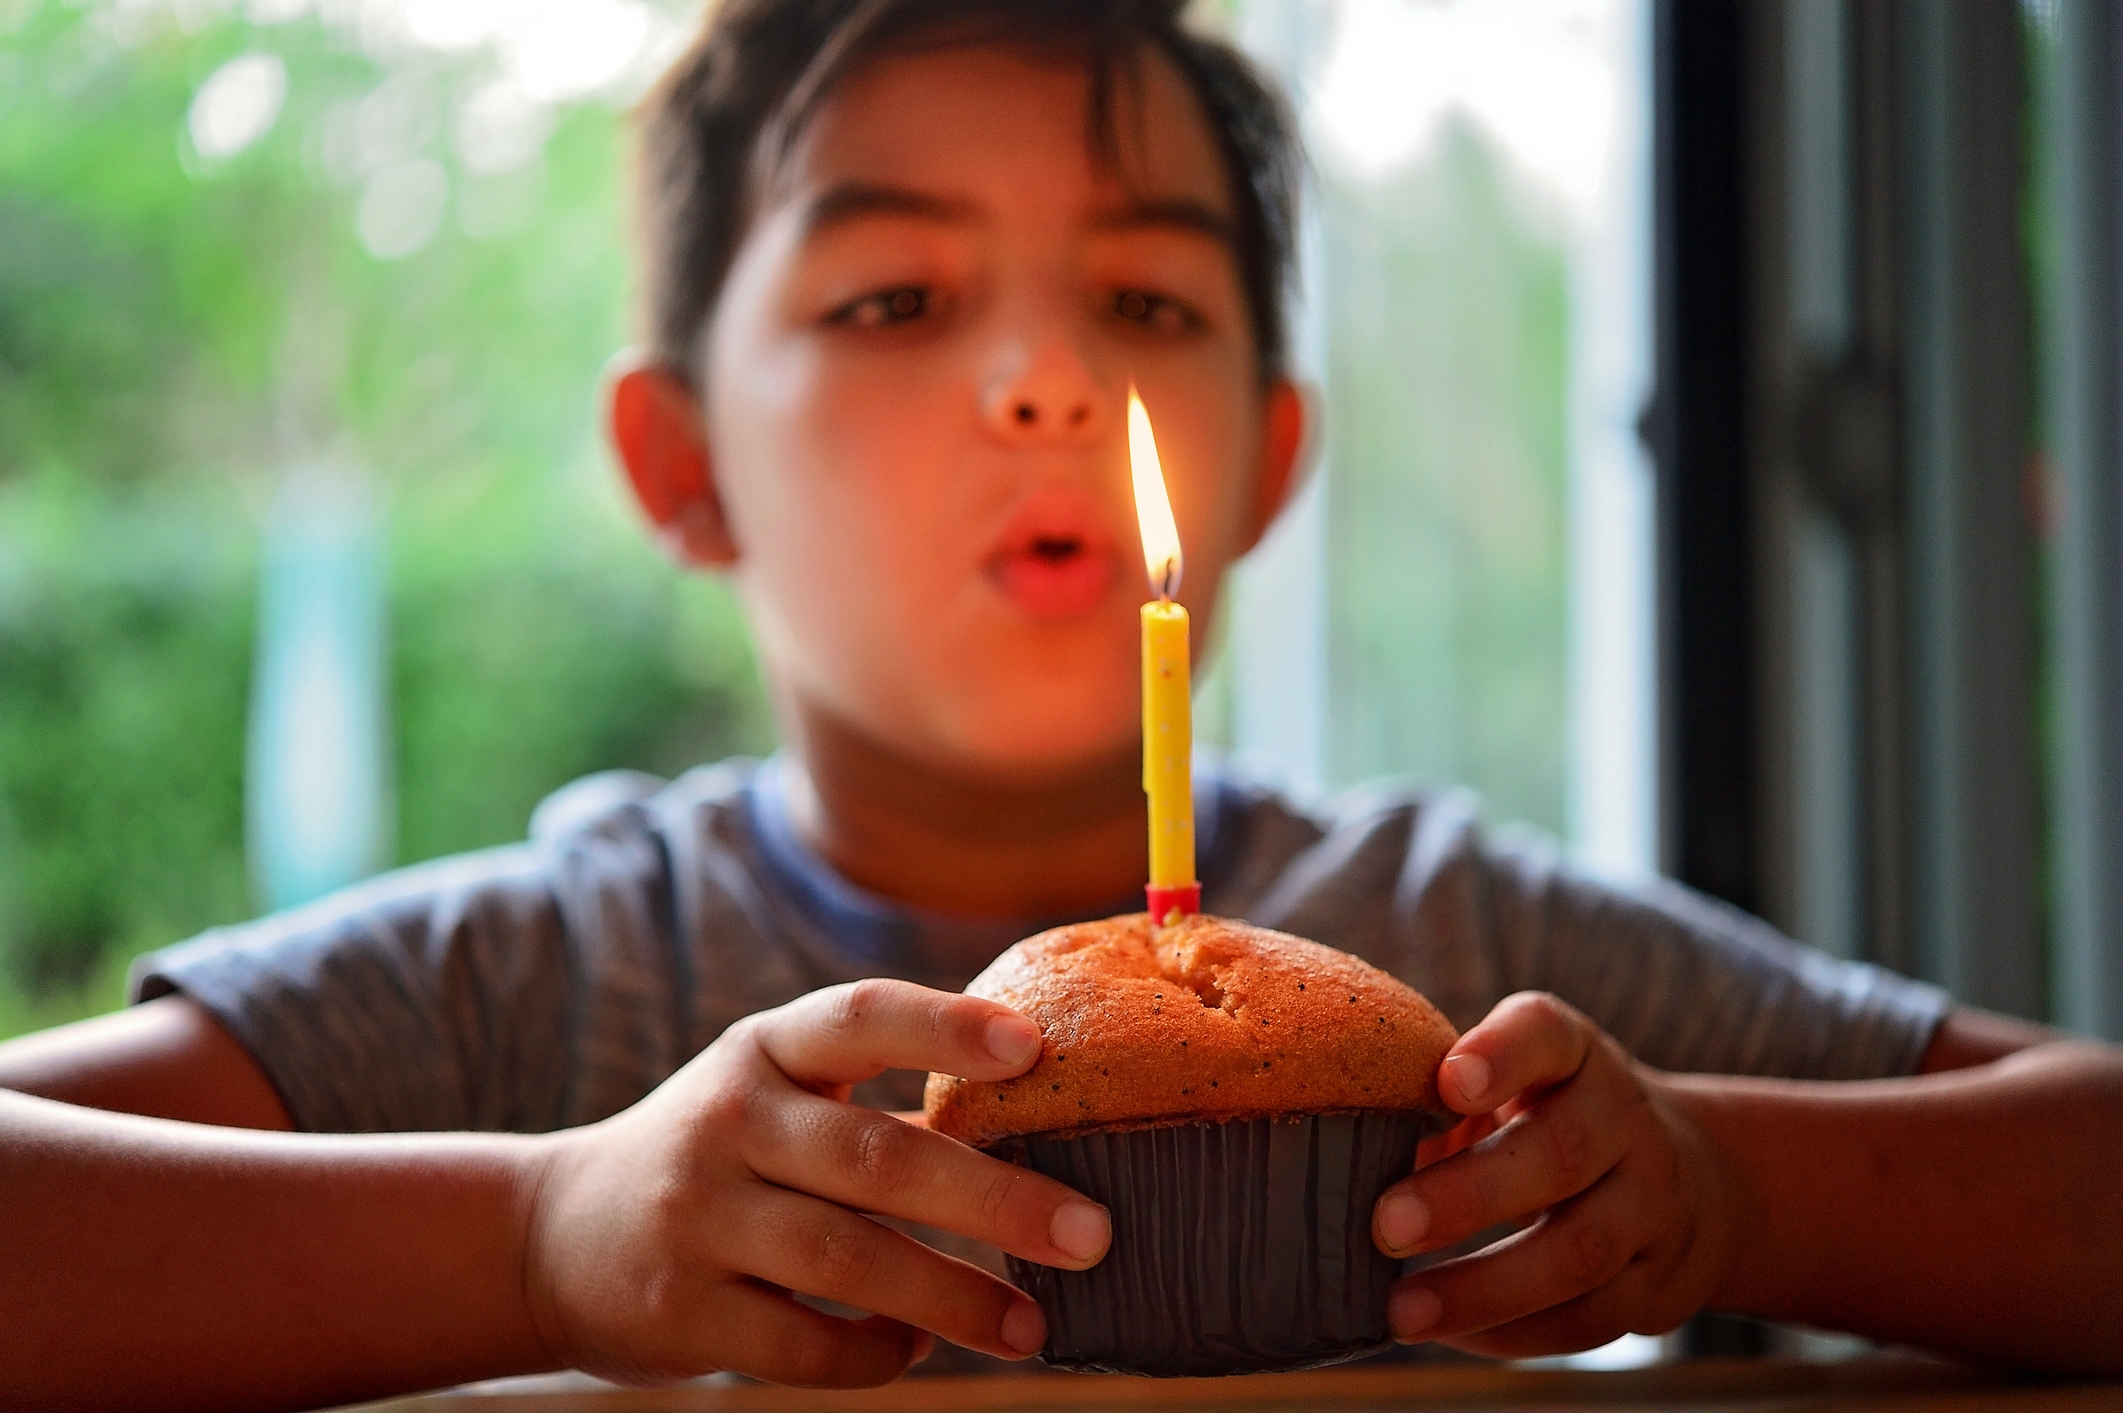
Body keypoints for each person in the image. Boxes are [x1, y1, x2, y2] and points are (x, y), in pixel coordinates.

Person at [2, 2, 2119, 1408]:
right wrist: (544, 1228)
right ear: (682, 464)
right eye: (896, 295)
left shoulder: (1460, 963)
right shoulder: (543, 974)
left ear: (1267, 460)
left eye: (1144, 297)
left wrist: (1725, 1196)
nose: (1045, 377)